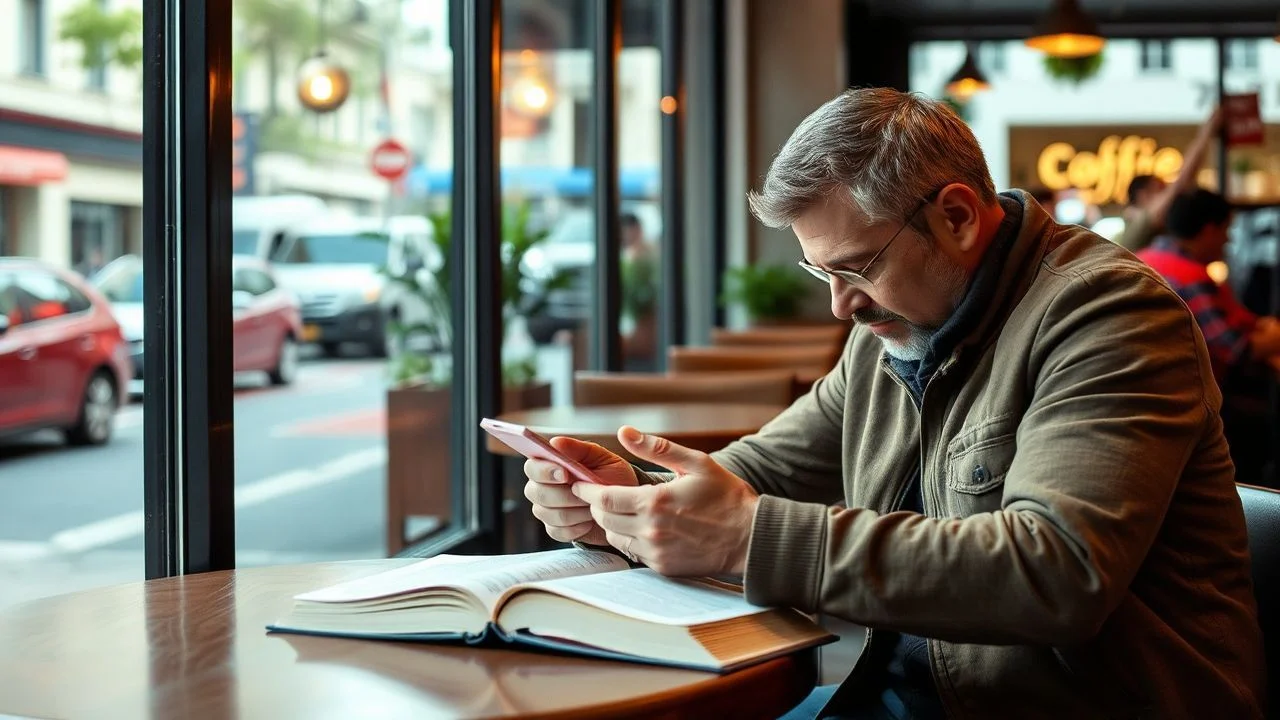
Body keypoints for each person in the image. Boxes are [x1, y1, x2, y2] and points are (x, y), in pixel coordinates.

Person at [522, 88, 1266, 719]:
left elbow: (1056, 572)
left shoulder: (1110, 315)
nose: (842, 305)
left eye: (858, 267)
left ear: (957, 216)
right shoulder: (897, 328)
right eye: (823, 274)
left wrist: (744, 539)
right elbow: (763, 470)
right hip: (907, 692)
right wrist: (629, 498)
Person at [1136, 188, 1280, 487]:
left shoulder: (1145, 257)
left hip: (1149, 400)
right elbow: (1237, 350)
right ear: (1209, 229)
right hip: (1191, 404)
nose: (1228, 240)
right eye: (1226, 230)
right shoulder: (1190, 277)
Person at [1116, 107, 1222, 252]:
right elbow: (1181, 182)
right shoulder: (1140, 224)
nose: (1168, 193)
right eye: (1161, 189)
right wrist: (1205, 133)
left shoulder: (1139, 225)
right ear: (1143, 195)